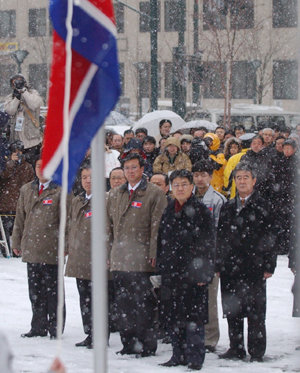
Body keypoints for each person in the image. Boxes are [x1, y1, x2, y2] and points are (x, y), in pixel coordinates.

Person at [106, 153, 167, 356]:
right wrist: (108, 252)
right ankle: (128, 343)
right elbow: (108, 227)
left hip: (141, 259)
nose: (130, 171)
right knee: (124, 304)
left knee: (144, 305)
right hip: (120, 258)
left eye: (134, 167)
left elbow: (157, 226)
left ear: (142, 169)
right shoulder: (115, 194)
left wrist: (154, 253)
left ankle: (146, 344)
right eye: (127, 168)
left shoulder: (154, 193)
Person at [216, 162, 277, 362]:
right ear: (234, 181)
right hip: (230, 266)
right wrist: (218, 263)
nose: (242, 181)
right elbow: (221, 237)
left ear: (254, 181)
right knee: (233, 309)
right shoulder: (227, 207)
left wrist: (269, 264)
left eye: (245, 177)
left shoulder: (263, 205)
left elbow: (271, 236)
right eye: (238, 178)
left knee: (255, 310)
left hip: (254, 265)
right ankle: (236, 347)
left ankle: (257, 351)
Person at [157, 169, 215, 370]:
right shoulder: (168, 209)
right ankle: (178, 354)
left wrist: (204, 273)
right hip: (171, 272)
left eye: (184, 184)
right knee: (173, 316)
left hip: (193, 274)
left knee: (193, 318)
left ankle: (195, 358)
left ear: (191, 187)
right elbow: (161, 240)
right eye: (176, 185)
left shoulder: (200, 211)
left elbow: (208, 244)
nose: (180, 189)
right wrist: (161, 267)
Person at [11, 159, 65, 339]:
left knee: (53, 291)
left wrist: (65, 244)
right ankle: (38, 325)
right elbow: (20, 217)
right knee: (35, 291)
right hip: (32, 247)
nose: (41, 169)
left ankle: (55, 326)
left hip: (52, 248)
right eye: (38, 166)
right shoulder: (27, 189)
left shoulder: (60, 189)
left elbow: (67, 221)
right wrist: (16, 241)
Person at [192, 160, 226, 352]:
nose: (200, 179)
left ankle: (210, 338)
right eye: (196, 175)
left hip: (209, 256)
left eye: (204, 175)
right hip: (190, 256)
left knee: (209, 299)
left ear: (211, 177)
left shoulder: (217, 200)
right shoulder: (188, 196)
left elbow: (220, 233)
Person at [66, 161, 93, 348]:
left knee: (97, 298)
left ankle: (99, 333)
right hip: (79, 256)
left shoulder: (106, 198)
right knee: (84, 297)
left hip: (96, 257)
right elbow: (71, 226)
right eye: (84, 177)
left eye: (91, 177)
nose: (88, 181)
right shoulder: (78, 200)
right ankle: (89, 331)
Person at [0, 140, 34, 256]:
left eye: (20, 151)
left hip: (21, 203)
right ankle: (6, 251)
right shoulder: (5, 164)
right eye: (15, 151)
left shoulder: (28, 166)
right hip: (6, 203)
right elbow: (3, 176)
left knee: (20, 229)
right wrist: (10, 163)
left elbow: (31, 183)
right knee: (5, 230)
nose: (18, 154)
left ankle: (18, 251)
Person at [4, 74, 43, 164]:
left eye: (20, 81)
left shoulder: (33, 94)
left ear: (24, 82)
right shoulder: (11, 97)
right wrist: (16, 98)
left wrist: (23, 91)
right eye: (15, 82)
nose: (17, 84)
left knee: (33, 167)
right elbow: (10, 111)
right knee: (20, 170)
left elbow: (34, 105)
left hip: (32, 141)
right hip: (17, 142)